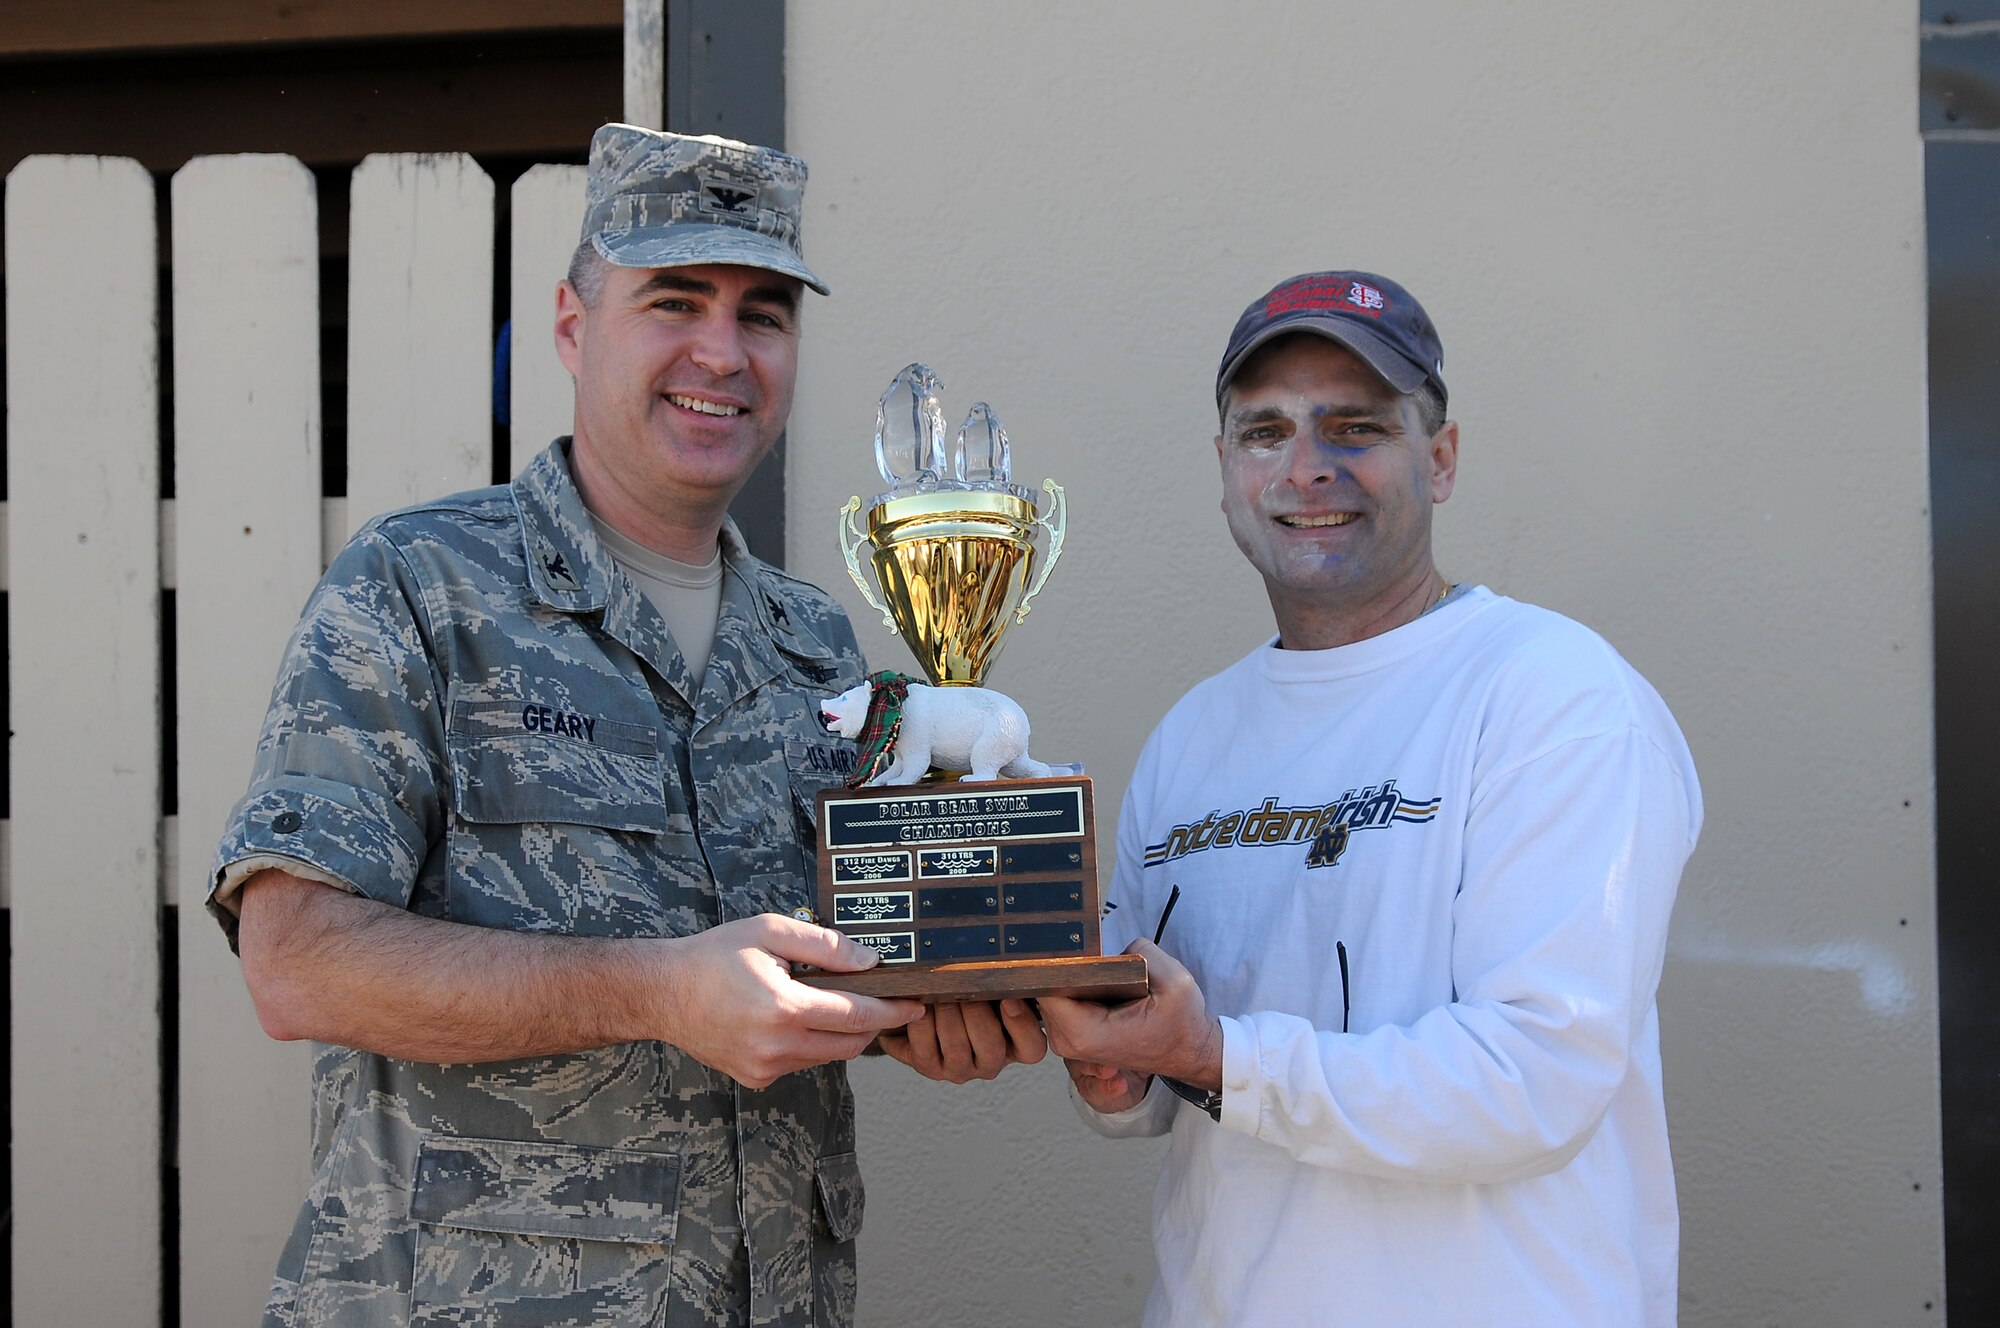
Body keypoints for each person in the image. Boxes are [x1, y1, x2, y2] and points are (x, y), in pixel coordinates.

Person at [208, 123, 930, 1328]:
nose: (722, 350)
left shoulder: (816, 649)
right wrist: (657, 989)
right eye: (674, 299)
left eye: (763, 312)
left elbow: (831, 967)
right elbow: (295, 962)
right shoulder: (418, 588)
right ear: (570, 326)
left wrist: (936, 1013)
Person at [1038, 271, 1703, 1327]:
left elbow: (1535, 1077)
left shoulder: (1552, 694)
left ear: (1437, 459)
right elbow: (1161, 1091)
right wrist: (1109, 1064)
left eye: (1354, 426)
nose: (1307, 469)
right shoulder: (1190, 737)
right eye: (1264, 431)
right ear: (1224, 471)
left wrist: (1209, 1054)